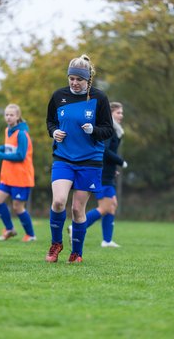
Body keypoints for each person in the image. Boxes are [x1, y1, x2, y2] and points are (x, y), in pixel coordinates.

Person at [46, 54, 113, 263]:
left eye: (79, 80)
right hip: (63, 157)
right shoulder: (58, 96)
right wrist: (54, 132)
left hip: (89, 161)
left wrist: (93, 130)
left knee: (77, 209)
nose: (74, 83)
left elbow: (108, 130)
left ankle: (77, 253)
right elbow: (50, 122)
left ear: (88, 79)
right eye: (71, 78)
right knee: (58, 202)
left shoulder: (99, 98)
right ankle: (56, 244)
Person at [68, 102, 127, 247]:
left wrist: (113, 167)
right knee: (105, 207)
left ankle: (107, 241)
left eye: (121, 112)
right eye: (118, 112)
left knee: (112, 205)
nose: (121, 115)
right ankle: (75, 228)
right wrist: (120, 161)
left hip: (108, 172)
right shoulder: (109, 129)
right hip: (103, 174)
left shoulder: (116, 130)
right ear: (110, 114)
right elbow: (104, 151)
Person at [0, 103, 36, 242]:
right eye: (6, 114)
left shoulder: (21, 134)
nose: (9, 117)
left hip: (21, 178)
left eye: (12, 115)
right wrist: (3, 147)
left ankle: (31, 235)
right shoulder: (7, 130)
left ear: (17, 116)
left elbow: (20, 155)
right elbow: (11, 148)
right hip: (8, 176)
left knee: (18, 208)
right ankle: (10, 229)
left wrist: (1, 156)